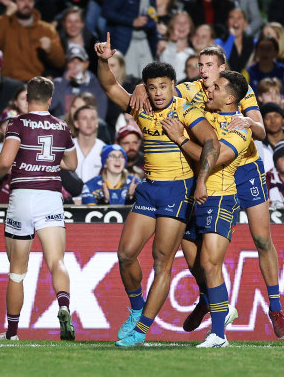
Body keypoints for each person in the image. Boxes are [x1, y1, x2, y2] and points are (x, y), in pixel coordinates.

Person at [95, 32, 219, 347]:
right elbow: (109, 86)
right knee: (125, 254)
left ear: (172, 86)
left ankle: (141, 331)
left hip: (179, 191)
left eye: (163, 86)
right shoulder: (142, 105)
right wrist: (103, 59)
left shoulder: (185, 109)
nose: (158, 92)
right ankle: (137, 309)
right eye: (152, 87)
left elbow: (212, 143)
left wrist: (201, 180)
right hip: (150, 189)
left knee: (162, 260)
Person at [161, 70, 253, 347]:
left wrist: (180, 139)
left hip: (220, 198)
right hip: (190, 199)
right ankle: (217, 305)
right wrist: (141, 88)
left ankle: (218, 335)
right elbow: (171, 93)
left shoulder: (241, 129)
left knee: (209, 263)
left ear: (231, 97)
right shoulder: (202, 113)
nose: (209, 90)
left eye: (216, 87)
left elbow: (214, 158)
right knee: (195, 265)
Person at [0, 76, 78, 341]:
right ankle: (63, 307)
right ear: (50, 100)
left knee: (17, 271)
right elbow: (71, 164)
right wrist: (46, 164)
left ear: (27, 97)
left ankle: (12, 333)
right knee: (57, 261)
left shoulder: (17, 122)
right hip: (50, 196)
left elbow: (4, 162)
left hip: (23, 197)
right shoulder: (61, 126)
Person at [0, 0, 65, 82]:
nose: (26, 4)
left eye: (30, 1)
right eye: (22, 0)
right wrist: (6, 15)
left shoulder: (46, 29)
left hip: (35, 83)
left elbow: (60, 63)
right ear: (14, 3)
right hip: (8, 82)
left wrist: (51, 49)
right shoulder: (4, 24)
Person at [51, 44, 108, 119]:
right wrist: (64, 81)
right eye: (72, 61)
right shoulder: (57, 83)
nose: (75, 65)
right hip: (61, 128)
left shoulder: (97, 86)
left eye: (80, 61)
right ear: (66, 64)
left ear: (86, 64)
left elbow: (100, 117)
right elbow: (49, 107)